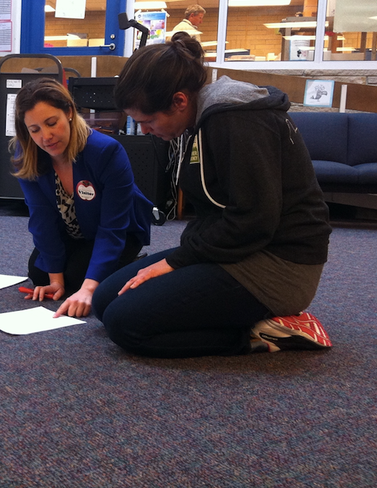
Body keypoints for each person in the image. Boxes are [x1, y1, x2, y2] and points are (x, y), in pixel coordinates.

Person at [91, 33, 333, 358]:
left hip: (280, 265)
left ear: (179, 101)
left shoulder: (235, 118)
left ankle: (266, 334)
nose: (146, 131)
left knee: (126, 325)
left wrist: (177, 261)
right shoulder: (199, 119)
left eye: (148, 121)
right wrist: (181, 262)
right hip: (236, 249)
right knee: (105, 299)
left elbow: (254, 220)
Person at [11, 78, 153, 318]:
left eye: (51, 123)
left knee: (79, 278)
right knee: (40, 275)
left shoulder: (106, 151)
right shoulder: (27, 154)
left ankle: (129, 262)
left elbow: (112, 227)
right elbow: (41, 219)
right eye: (34, 130)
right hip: (73, 230)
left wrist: (89, 289)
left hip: (119, 231)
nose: (46, 136)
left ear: (68, 111)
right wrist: (55, 281)